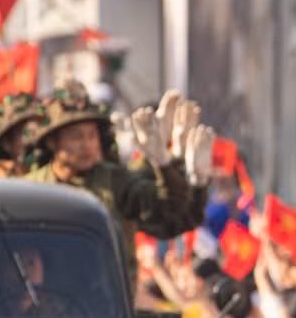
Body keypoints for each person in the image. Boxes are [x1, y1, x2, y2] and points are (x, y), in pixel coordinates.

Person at [25, 84, 208, 278]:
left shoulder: (114, 181)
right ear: (53, 142)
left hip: (109, 303)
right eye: (76, 137)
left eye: (92, 135)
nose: (87, 145)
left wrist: (164, 162)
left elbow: (169, 208)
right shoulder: (31, 189)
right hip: (47, 300)